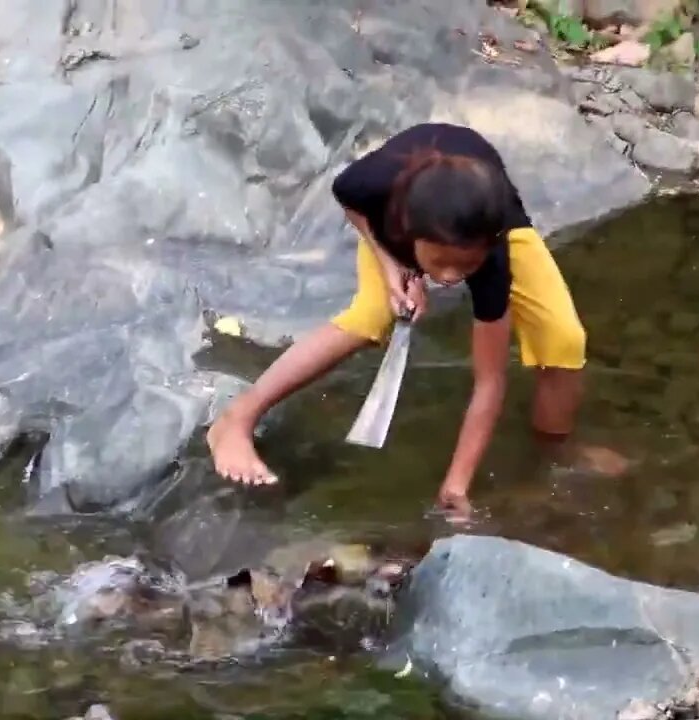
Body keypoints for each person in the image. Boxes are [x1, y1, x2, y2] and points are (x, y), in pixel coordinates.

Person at [206, 122, 587, 516]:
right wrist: (393, 268)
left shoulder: (491, 256)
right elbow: (347, 199)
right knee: (369, 316)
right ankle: (237, 419)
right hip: (400, 225)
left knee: (564, 339)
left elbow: (490, 381)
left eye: (464, 267)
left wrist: (456, 484)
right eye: (440, 264)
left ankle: (553, 460)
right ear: (409, 234)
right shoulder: (371, 185)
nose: (452, 279)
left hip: (486, 224)